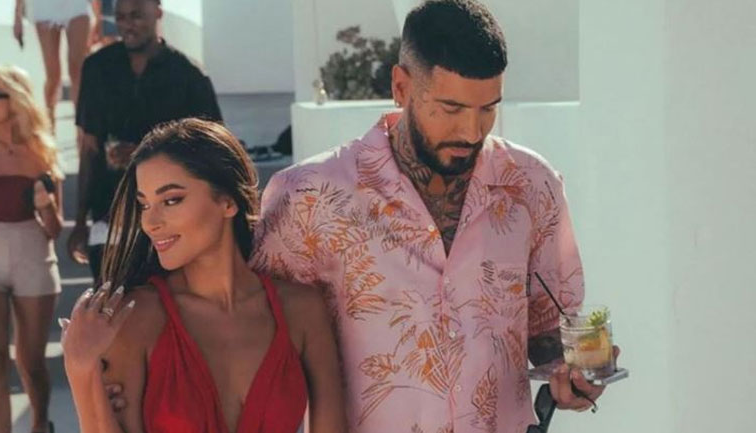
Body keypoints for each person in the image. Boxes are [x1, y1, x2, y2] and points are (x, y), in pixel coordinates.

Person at [252, 1, 619, 432]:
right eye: (451, 109)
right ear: (401, 86)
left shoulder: (532, 186)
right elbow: (259, 346)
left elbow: (549, 324)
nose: (472, 131)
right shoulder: (308, 197)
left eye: (488, 109)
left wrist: (574, 372)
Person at [60, 119, 346, 433]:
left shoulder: (301, 310)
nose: (151, 222)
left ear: (227, 202)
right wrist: (80, 367)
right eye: (144, 205)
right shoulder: (135, 317)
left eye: (171, 200)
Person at [67, 0, 222, 284]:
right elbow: (89, 147)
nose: (127, 25)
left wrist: (146, 153)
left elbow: (213, 149)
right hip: (109, 214)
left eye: (136, 16)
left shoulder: (188, 75)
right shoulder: (97, 68)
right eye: (121, 17)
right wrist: (79, 220)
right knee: (111, 303)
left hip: (170, 220)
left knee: (164, 304)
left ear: (158, 12)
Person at [0, 64, 63, 433]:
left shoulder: (41, 151)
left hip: (33, 254)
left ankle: (40, 424)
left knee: (30, 361)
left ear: (14, 99)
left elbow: (54, 229)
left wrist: (46, 205)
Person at [13, 0, 91, 131]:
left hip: (76, 5)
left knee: (77, 72)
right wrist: (17, 17)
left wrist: (98, 15)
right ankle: (50, 126)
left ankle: (82, 131)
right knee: (53, 75)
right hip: (45, 7)